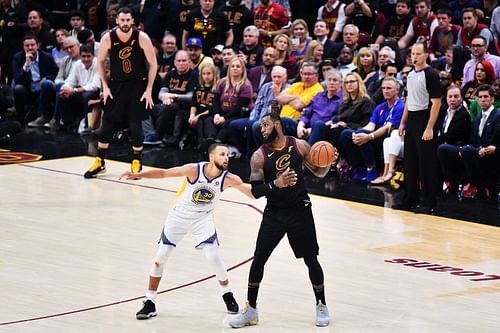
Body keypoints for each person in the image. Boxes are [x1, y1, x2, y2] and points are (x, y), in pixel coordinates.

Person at [121, 143, 254, 320]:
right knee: (160, 258)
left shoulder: (229, 178)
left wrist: (276, 186)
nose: (226, 157)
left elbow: (252, 193)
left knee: (214, 256)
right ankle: (149, 301)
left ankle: (227, 293)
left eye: (228, 155)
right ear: (211, 157)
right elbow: (164, 173)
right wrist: (139, 174)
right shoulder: (193, 170)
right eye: (222, 154)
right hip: (178, 216)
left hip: (203, 218)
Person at [228, 112, 333, 329]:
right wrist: (277, 183)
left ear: (277, 124)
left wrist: (329, 161)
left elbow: (319, 173)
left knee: (311, 260)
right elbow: (256, 192)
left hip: (300, 210)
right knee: (258, 260)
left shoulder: (300, 145)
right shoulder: (259, 156)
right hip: (274, 212)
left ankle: (321, 304)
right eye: (261, 127)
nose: (262, 129)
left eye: (265, 125)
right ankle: (251, 310)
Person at [83, 7, 157, 179]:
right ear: (116, 21)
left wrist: (149, 89)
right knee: (107, 122)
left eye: (127, 20)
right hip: (116, 84)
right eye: (121, 20)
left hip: (138, 84)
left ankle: (136, 161)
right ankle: (100, 161)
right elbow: (100, 62)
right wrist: (105, 87)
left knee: (135, 124)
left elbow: (153, 64)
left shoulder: (141, 37)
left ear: (132, 21)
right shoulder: (108, 38)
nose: (125, 23)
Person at [395, 42, 441, 214]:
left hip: (425, 118)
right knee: (410, 162)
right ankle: (410, 199)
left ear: (426, 55)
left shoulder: (431, 74)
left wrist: (429, 128)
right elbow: (408, 100)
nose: (414, 57)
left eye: (418, 54)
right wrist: (402, 122)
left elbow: (436, 103)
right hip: (412, 120)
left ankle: (429, 202)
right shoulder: (411, 74)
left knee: (426, 164)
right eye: (412, 54)